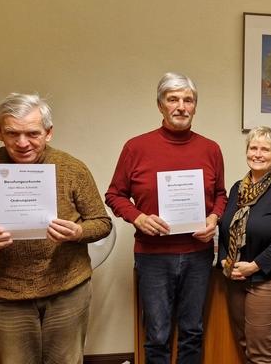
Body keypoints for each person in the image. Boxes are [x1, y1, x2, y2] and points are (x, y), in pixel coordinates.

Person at [105, 72, 227, 364]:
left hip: (198, 255)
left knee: (192, 331)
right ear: (160, 105)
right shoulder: (136, 147)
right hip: (153, 256)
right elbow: (114, 194)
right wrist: (137, 218)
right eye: (173, 99)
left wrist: (214, 218)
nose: (181, 106)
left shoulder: (210, 149)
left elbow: (221, 194)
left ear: (195, 106)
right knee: (157, 334)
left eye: (188, 100)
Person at [0, 93, 112, 364]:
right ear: (0, 133)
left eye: (32, 133)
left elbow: (102, 222)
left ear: (49, 133)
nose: (22, 143)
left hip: (67, 289)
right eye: (13, 133)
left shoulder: (72, 168)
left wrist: (78, 232)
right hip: (7, 294)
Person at [218, 126, 271, 363]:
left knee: (259, 352)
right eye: (253, 147)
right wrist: (225, 259)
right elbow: (224, 229)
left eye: (265, 149)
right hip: (235, 278)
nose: (258, 153)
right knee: (245, 343)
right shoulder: (237, 189)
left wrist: (255, 266)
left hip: (268, 281)